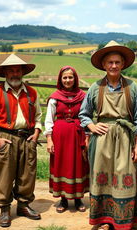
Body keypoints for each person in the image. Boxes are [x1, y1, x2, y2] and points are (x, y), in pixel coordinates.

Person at [79, 40, 137, 230]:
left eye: (117, 62)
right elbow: (84, 114)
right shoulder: (95, 88)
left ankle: (125, 223)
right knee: (102, 178)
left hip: (125, 138)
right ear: (103, 65)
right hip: (102, 139)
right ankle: (104, 221)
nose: (114, 66)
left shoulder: (132, 87)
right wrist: (91, 126)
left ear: (123, 64)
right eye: (110, 62)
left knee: (126, 179)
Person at [0, 54, 42, 227]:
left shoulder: (31, 92)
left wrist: (36, 133)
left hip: (28, 137)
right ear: (5, 73)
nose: (15, 74)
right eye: (11, 71)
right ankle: (4, 209)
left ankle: (23, 205)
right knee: (4, 175)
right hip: (5, 137)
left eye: (18, 70)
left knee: (27, 174)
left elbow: (38, 115)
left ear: (22, 72)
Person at [44, 65, 89, 213]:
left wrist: (87, 136)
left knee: (78, 164)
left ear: (75, 79)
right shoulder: (54, 98)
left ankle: (77, 199)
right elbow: (49, 119)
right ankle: (63, 199)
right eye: (65, 77)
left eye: (70, 77)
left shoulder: (83, 96)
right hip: (60, 137)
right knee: (61, 165)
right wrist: (49, 140)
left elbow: (86, 117)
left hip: (77, 136)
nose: (68, 80)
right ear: (60, 79)